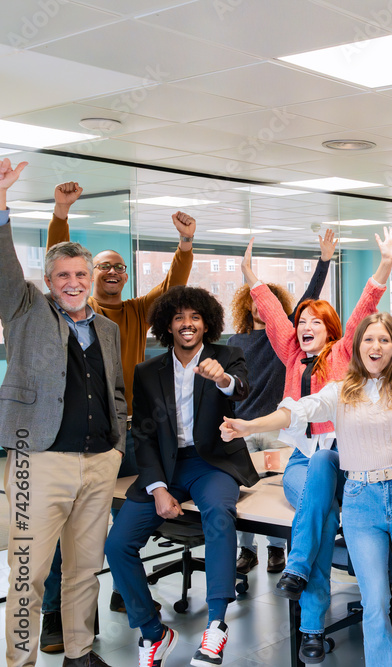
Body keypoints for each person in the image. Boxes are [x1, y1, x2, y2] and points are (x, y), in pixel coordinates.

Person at [221, 256, 392, 667]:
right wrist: (248, 425)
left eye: (384, 340)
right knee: (375, 603)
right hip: (362, 501)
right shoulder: (339, 390)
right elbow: (294, 411)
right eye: (369, 340)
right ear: (357, 347)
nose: (376, 347)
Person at [41, 181, 196, 644]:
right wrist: (61, 214)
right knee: (69, 531)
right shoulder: (69, 311)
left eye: (119, 267)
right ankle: (55, 613)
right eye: (104, 266)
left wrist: (185, 243)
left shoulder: (133, 313)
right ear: (89, 275)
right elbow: (57, 260)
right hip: (79, 436)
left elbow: (172, 286)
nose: (112, 272)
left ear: (125, 277)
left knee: (128, 518)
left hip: (129, 433)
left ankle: (124, 591)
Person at [239, 229, 392, 663]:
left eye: (315, 322)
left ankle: (302, 585)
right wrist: (251, 276)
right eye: (302, 322)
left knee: (320, 495)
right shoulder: (292, 355)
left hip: (348, 458)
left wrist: (385, 264)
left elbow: (364, 308)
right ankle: (308, 617)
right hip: (301, 460)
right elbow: (274, 315)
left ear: (330, 331)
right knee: (323, 515)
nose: (305, 327)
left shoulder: (345, 352)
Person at [0, 159, 126, 667]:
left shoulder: (107, 329)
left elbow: (116, 392)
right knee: (28, 572)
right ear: (49, 280)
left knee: (83, 570)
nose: (73, 282)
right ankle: (21, 660)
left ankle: (80, 652)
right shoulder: (26, 310)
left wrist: (117, 446)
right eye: (63, 275)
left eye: (80, 274)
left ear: (90, 278)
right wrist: (1, 203)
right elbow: (4, 271)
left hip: (98, 464)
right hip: (38, 462)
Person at [104, 286, 258, 667]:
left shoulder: (227, 356)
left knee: (219, 515)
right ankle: (154, 632)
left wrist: (222, 379)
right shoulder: (147, 371)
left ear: (207, 324)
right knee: (117, 544)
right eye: (179, 318)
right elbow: (143, 434)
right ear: (167, 325)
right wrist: (157, 488)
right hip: (166, 469)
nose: (187, 324)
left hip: (213, 464)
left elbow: (240, 389)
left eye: (195, 317)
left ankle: (216, 624)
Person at [229, 228, 338, 577]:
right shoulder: (235, 341)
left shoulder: (288, 341)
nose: (259, 305)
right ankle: (247, 551)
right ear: (247, 305)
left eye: (265, 301)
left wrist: (324, 261)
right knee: (247, 493)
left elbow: (309, 299)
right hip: (246, 426)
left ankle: (279, 551)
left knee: (281, 498)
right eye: (254, 300)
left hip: (281, 427)